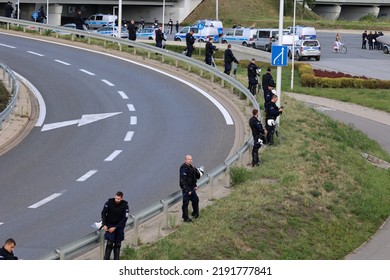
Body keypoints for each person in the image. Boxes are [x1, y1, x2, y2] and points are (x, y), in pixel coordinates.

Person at [101, 191, 129, 260]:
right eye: (116, 198)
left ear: (121, 198)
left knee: (117, 244)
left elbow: (124, 218)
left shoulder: (125, 206)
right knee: (110, 243)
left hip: (119, 226)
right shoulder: (109, 203)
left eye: (118, 199)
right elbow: (103, 213)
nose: (116, 200)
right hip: (110, 224)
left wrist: (116, 227)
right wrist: (104, 224)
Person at [179, 155, 203, 222]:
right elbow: (183, 180)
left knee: (195, 200)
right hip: (186, 189)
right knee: (185, 203)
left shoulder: (191, 167)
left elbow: (193, 178)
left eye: (191, 159)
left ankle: (195, 214)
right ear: (185, 160)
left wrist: (195, 185)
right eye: (188, 159)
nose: (190, 160)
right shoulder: (183, 168)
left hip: (192, 188)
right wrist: (187, 190)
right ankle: (185, 218)